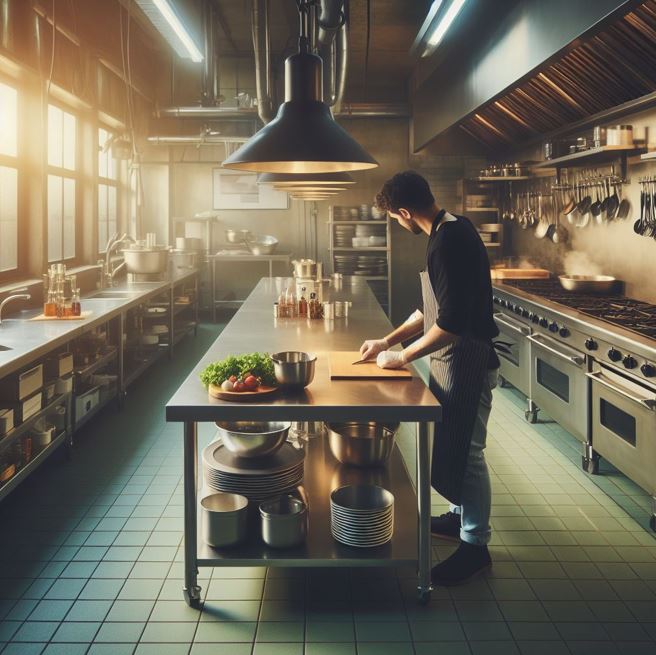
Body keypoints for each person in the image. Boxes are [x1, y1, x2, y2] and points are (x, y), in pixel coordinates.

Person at [359, 171, 500, 586]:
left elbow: (451, 323)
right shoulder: (450, 228)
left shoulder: (446, 242)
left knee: (469, 454)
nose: (397, 224)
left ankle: (475, 547)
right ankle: (459, 518)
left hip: (467, 359)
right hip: (451, 359)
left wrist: (401, 356)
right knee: (453, 442)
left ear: (404, 212)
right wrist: (386, 338)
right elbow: (433, 309)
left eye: (394, 217)